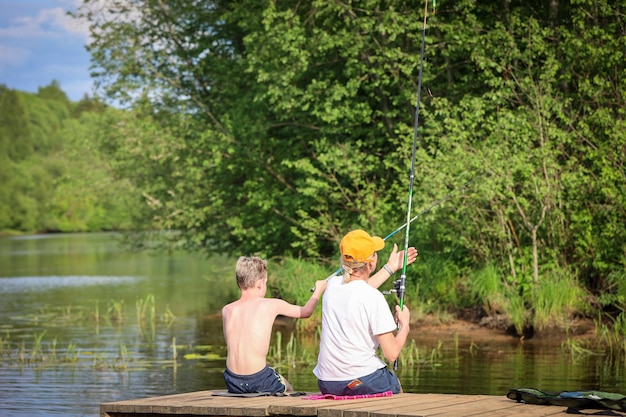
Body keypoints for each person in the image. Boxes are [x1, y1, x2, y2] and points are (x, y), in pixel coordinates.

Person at [313, 229, 418, 395]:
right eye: (375, 253)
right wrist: (405, 325)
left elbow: (358, 290)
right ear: (370, 263)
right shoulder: (373, 297)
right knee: (393, 382)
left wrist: (390, 268)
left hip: (326, 383)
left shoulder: (332, 286)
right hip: (359, 382)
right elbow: (392, 354)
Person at [222, 256, 327, 394]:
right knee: (287, 385)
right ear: (260, 283)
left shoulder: (227, 310)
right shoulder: (270, 305)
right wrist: (319, 290)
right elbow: (306, 312)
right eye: (265, 282)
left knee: (272, 375)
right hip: (258, 380)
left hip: (232, 380)